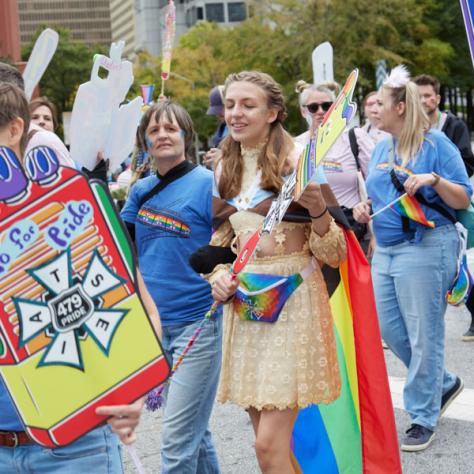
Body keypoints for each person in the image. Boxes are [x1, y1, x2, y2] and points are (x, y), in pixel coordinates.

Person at [0, 82, 155, 473]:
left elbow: (139, 307)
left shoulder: (73, 211)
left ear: (15, 130)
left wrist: (133, 393)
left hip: (75, 446)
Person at [208, 71, 346, 473]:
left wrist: (318, 209)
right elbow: (220, 241)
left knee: (268, 448)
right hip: (248, 303)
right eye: (231, 104)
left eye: (247, 105)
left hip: (293, 303)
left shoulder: (299, 162)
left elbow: (335, 252)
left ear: (273, 113)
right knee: (271, 448)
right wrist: (217, 274)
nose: (235, 113)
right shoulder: (224, 169)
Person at [353, 65, 471, 452]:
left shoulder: (437, 145)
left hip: (426, 245)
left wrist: (434, 180)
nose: (374, 109)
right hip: (385, 249)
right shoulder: (383, 145)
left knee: (425, 336)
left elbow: (463, 198)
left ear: (401, 107)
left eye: (380, 104)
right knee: (390, 330)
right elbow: (379, 193)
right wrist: (365, 207)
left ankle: (422, 416)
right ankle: (443, 382)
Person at [121, 100, 222, 474]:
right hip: (154, 327)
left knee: (176, 444)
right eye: (154, 130)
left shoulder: (209, 184)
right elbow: (122, 246)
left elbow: (232, 241)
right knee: (197, 432)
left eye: (170, 128)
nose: (162, 135)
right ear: (145, 141)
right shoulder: (140, 190)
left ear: (186, 136)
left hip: (199, 326)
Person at [414, 73, 474, 341]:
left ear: (437, 98)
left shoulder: (452, 125)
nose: (424, 100)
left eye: (428, 95)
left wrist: (441, 180)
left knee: (466, 261)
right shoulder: (408, 130)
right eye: (419, 96)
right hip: (424, 209)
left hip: (453, 203)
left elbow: (467, 164)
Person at [295, 80, 374, 251]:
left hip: (351, 233)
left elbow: (380, 186)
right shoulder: (296, 146)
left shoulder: (354, 137)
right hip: (312, 237)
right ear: (303, 111)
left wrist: (375, 232)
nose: (321, 111)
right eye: (313, 107)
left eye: (326, 105)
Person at [0, 61, 75, 168]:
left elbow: (72, 183)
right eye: (35, 117)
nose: (42, 122)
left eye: (47, 118)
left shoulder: (45, 141)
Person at [203, 85, 228, 169]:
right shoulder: (222, 128)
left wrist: (223, 157)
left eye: (220, 109)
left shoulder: (241, 131)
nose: (217, 114)